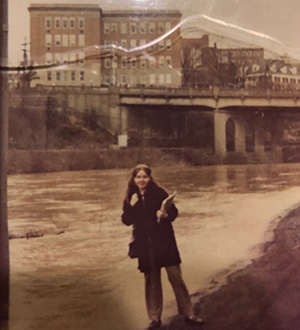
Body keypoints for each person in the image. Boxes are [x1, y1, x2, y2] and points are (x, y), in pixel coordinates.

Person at [121, 164, 204, 329]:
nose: (141, 180)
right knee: (151, 281)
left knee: (176, 277)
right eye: (138, 177)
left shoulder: (159, 192)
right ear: (134, 179)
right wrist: (131, 205)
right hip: (145, 244)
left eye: (144, 177)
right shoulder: (131, 196)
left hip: (164, 241)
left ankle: (189, 313)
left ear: (150, 178)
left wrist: (166, 215)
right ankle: (154, 318)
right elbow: (126, 220)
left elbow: (174, 212)